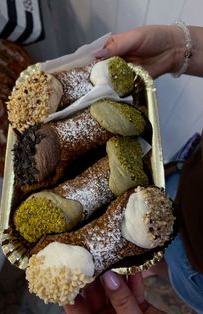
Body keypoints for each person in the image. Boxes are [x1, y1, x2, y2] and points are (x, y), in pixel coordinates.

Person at [65, 23, 203, 314]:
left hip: (198, 272)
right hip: (189, 169)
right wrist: (179, 49)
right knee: (161, 229)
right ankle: (157, 262)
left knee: (177, 264)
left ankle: (161, 265)